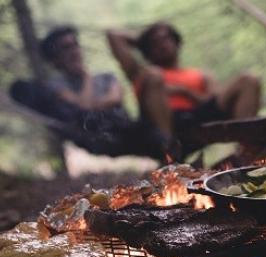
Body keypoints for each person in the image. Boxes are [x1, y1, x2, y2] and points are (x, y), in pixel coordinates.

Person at [10, 25, 170, 159]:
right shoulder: (54, 87)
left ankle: (168, 145)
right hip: (100, 138)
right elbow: (85, 108)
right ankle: (167, 148)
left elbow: (115, 98)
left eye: (75, 45)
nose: (74, 51)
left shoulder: (106, 77)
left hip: (130, 128)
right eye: (66, 48)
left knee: (154, 79)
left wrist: (92, 102)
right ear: (55, 59)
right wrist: (85, 76)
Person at [106, 22, 261, 152]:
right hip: (161, 125)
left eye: (165, 38)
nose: (161, 44)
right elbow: (113, 35)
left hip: (198, 116)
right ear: (147, 51)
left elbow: (215, 101)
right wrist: (143, 40)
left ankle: (245, 149)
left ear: (177, 42)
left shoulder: (200, 75)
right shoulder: (141, 73)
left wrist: (185, 92)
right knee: (154, 75)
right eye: (154, 43)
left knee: (249, 79)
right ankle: (169, 149)